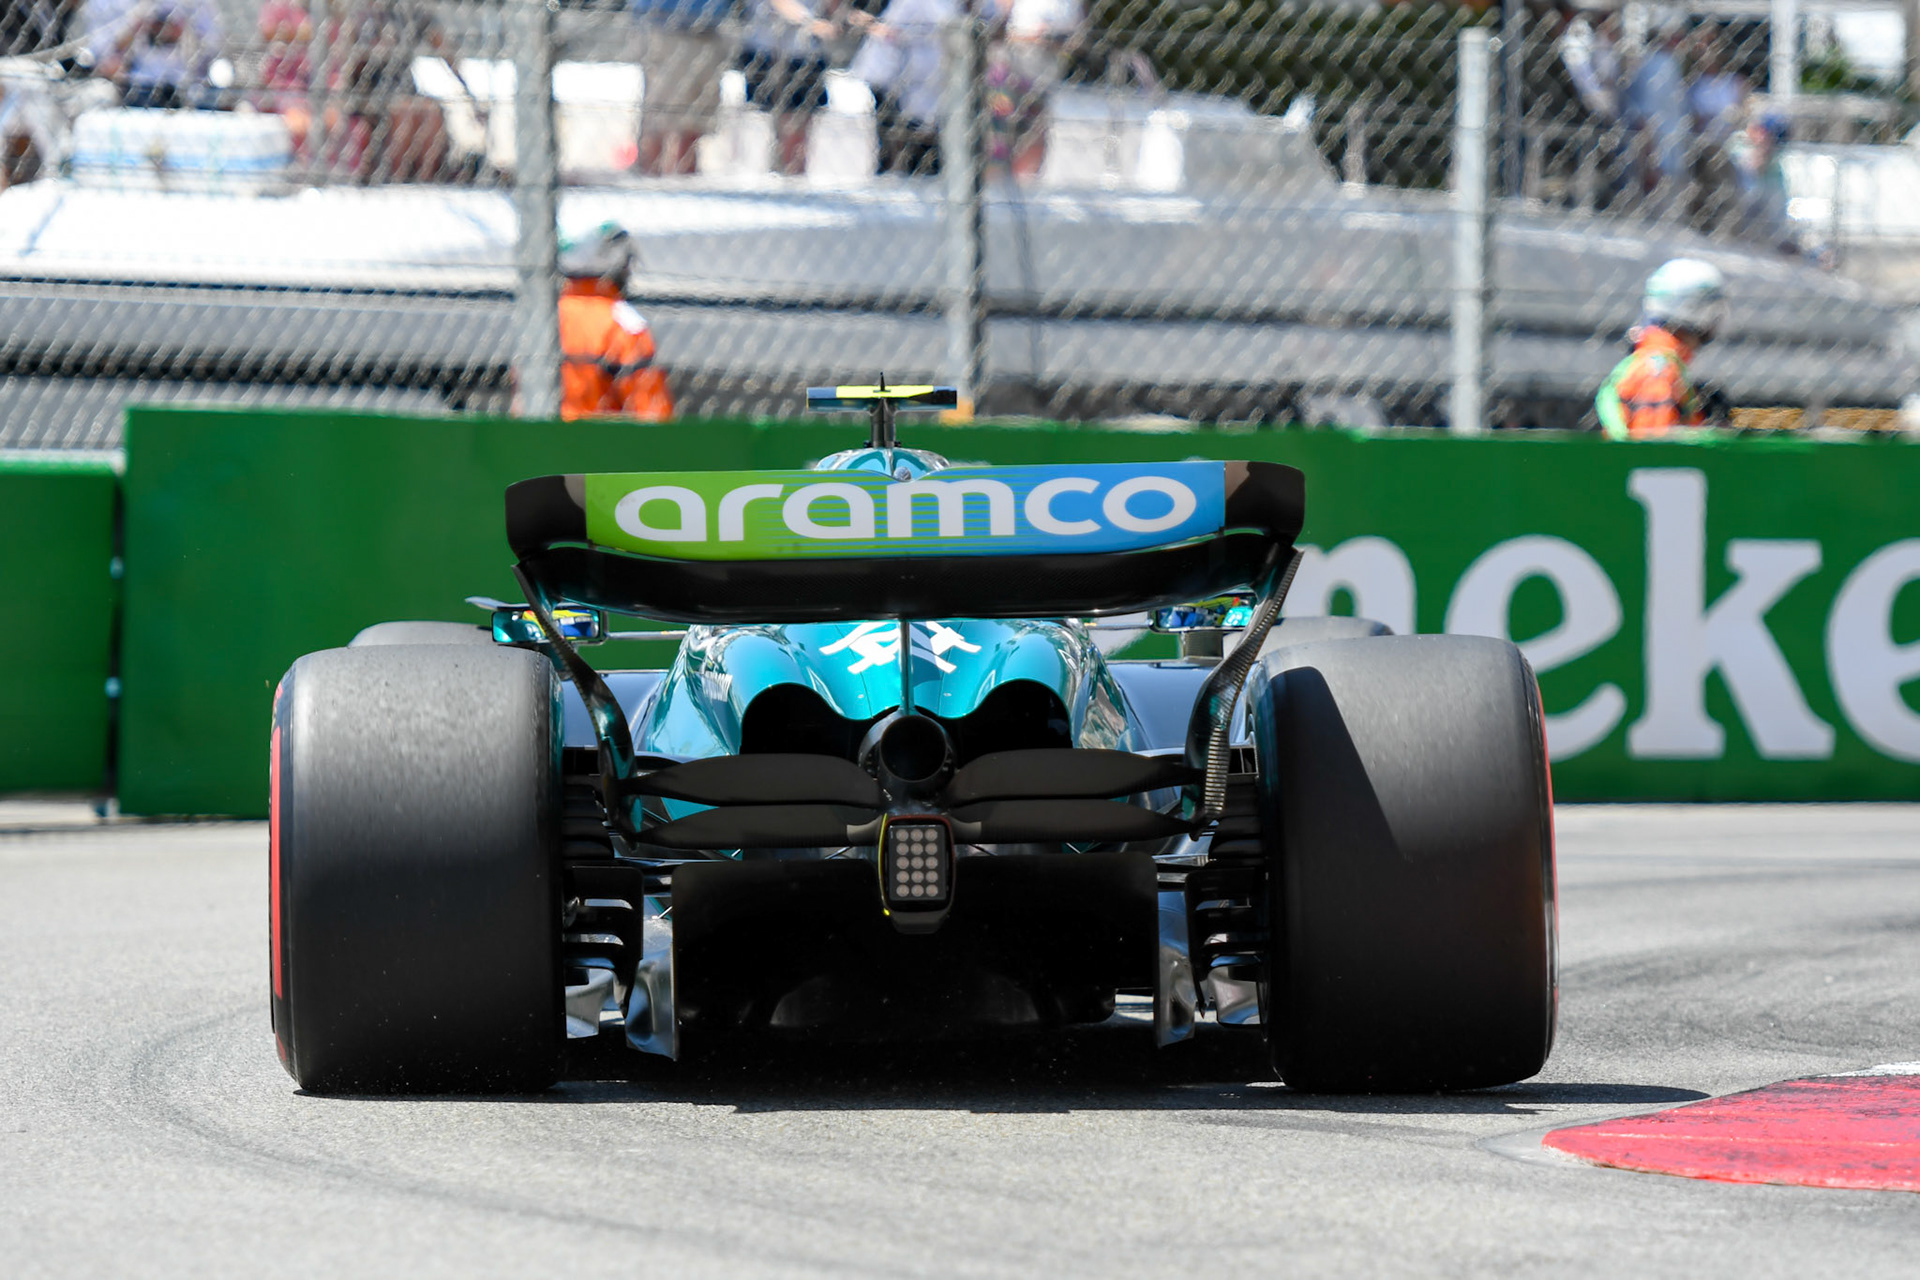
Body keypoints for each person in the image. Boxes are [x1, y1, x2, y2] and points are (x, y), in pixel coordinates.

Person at [1596, 258, 1727, 440]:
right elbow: (1654, 448)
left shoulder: (1662, 361)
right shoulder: (1658, 370)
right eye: (1713, 306)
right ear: (1692, 308)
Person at [557, 222, 674, 422]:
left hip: (540, 441)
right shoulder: (623, 322)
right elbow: (651, 410)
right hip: (603, 444)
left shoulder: (547, 315)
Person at [847, 0, 952, 176]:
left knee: (924, 132)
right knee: (891, 129)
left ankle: (919, 169)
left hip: (924, 74)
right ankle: (890, 169)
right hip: (892, 71)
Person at [632, 0, 735, 176]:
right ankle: (650, 181)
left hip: (709, 27)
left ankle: (685, 182)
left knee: (695, 117)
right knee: (661, 114)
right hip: (666, 24)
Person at [738, 0, 834, 175]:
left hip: (806, 53)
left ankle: (792, 180)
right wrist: (809, 21)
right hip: (768, 50)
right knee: (785, 122)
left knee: (800, 123)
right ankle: (782, 178)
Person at [84, 0, 221, 109]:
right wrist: (137, 24)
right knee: (96, 96)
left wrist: (184, 29)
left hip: (183, 85)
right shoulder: (113, 4)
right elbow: (100, 57)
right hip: (133, 84)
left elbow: (213, 45)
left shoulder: (196, 4)